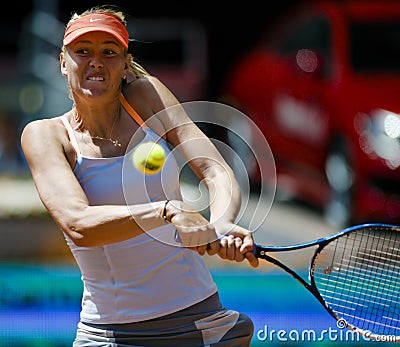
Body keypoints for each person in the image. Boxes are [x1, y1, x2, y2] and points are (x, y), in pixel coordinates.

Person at [21, 5, 259, 347]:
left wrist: (219, 224)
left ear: (124, 64)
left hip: (199, 316)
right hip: (109, 334)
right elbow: (78, 223)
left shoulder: (146, 96)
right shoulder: (45, 135)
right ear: (62, 62)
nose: (96, 62)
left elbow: (214, 168)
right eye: (83, 51)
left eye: (109, 52)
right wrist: (167, 211)